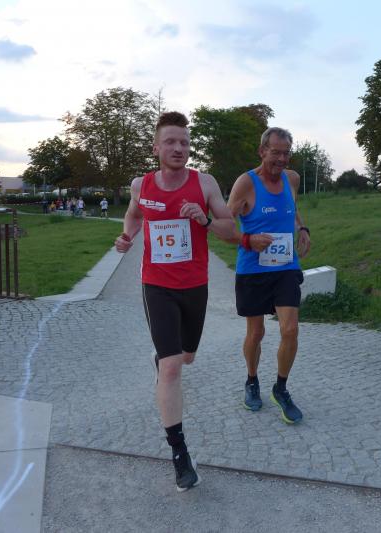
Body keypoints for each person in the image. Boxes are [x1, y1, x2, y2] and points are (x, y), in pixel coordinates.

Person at [114, 111, 236, 491]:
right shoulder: (141, 185)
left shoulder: (205, 183)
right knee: (171, 369)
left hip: (195, 286)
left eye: (184, 142)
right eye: (170, 141)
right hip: (157, 285)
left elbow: (231, 229)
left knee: (186, 357)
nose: (178, 148)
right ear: (156, 148)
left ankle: (165, 357)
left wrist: (205, 221)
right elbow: (134, 216)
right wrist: (127, 236)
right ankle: (180, 454)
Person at [226, 127, 311, 424]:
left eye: (286, 153)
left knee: (290, 329)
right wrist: (248, 240)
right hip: (253, 269)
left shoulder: (292, 179)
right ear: (262, 151)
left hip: (286, 267)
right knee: (256, 333)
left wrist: (302, 228)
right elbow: (225, 225)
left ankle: (281, 388)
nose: (282, 159)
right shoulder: (246, 183)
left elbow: (293, 207)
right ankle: (251, 380)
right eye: (276, 153)